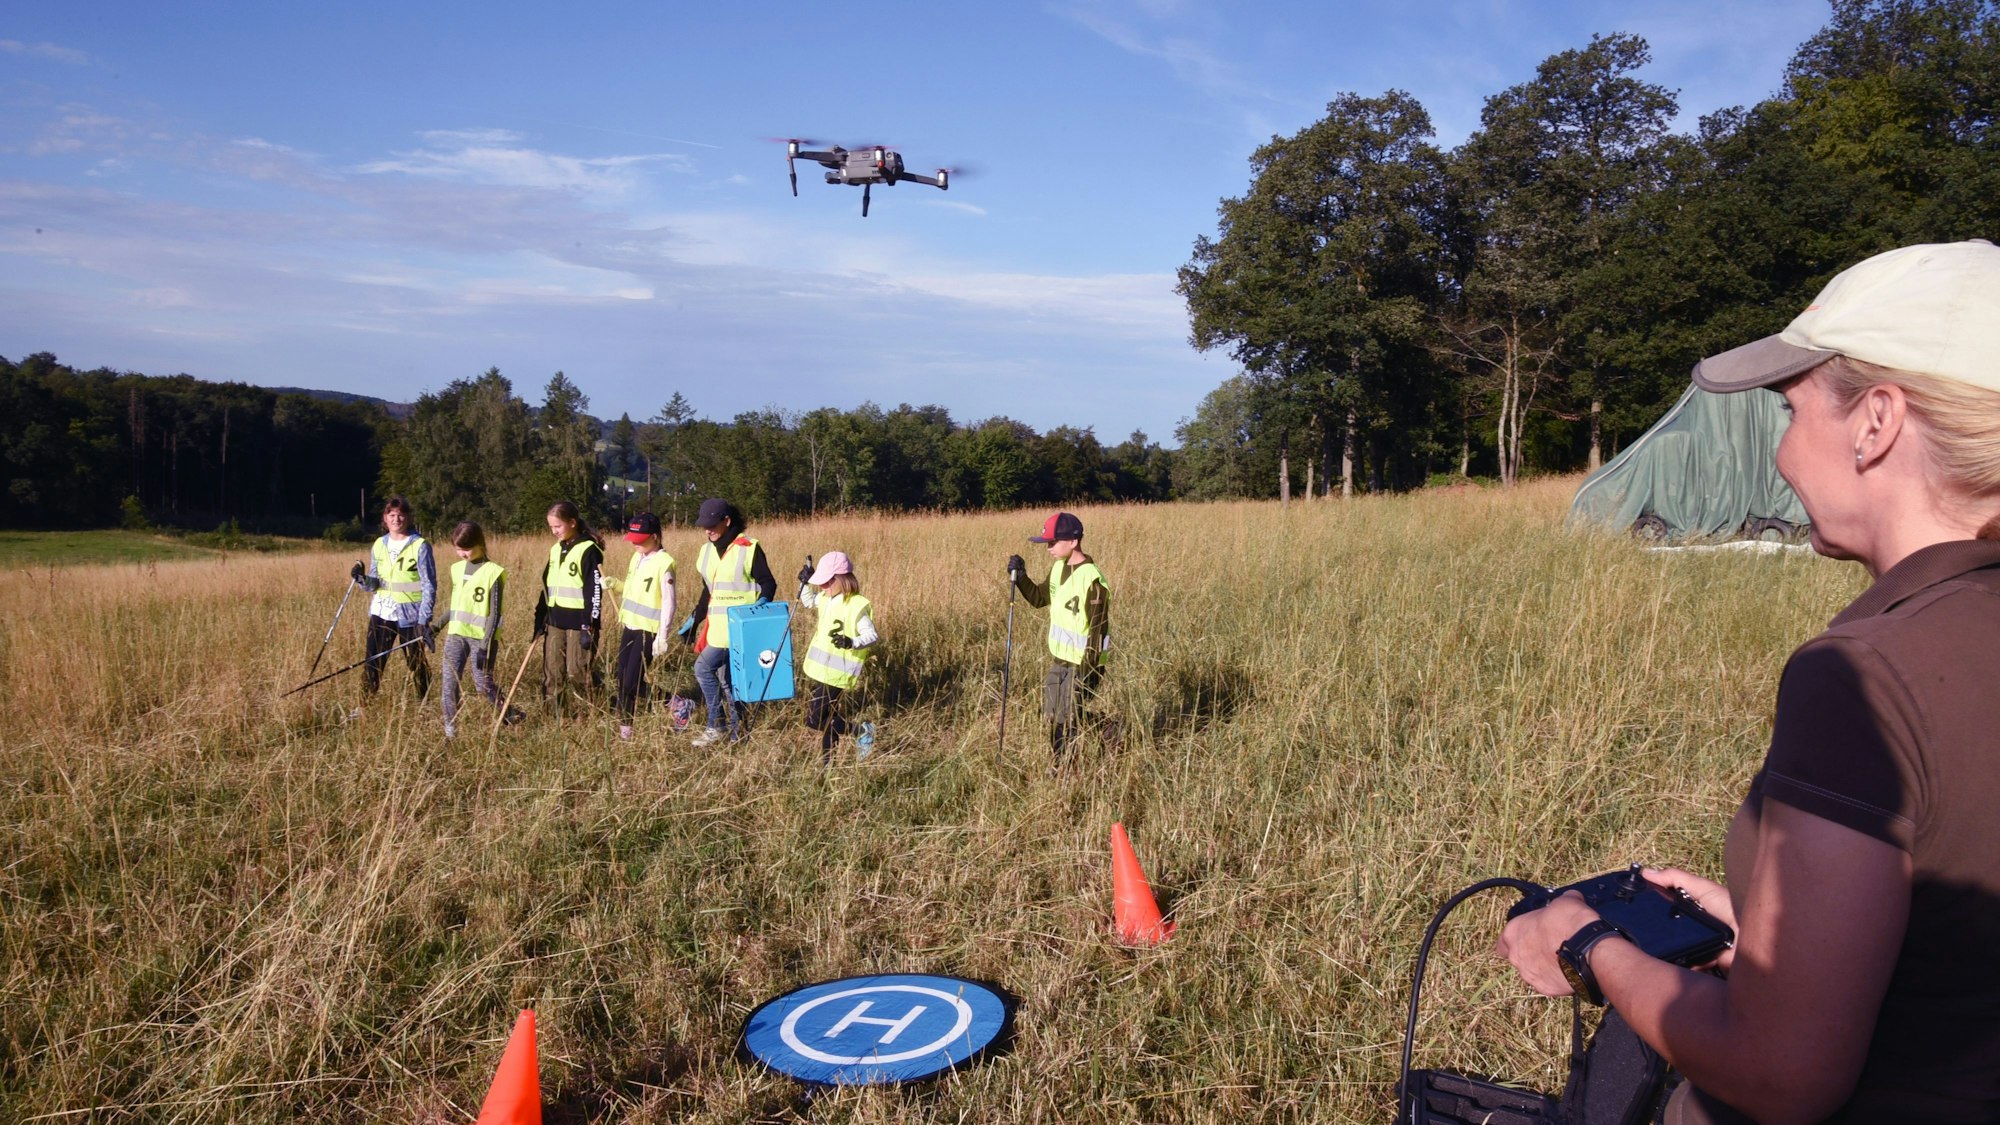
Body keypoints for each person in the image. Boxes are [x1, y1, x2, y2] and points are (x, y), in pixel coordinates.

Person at [1498, 240, 2000, 1124]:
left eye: (1791, 409)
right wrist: (1759, 928)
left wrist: (1587, 940)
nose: (1781, 454)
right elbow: (1955, 955)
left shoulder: (1864, 676)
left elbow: (1782, 1076)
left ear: (1876, 422)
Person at [1007, 511, 1110, 758]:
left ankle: (1063, 769)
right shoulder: (1058, 569)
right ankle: (1109, 729)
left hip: (1084, 664)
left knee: (1066, 722)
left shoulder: (1093, 581)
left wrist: (1089, 670)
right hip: (1059, 660)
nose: (1049, 548)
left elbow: (1098, 632)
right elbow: (1039, 598)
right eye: (1047, 543)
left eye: (1053, 543)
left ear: (1073, 542)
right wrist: (1020, 577)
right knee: (1053, 714)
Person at [682, 498, 775, 747]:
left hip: (739, 628)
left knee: (702, 669)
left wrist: (763, 602)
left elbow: (768, 581)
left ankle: (717, 725)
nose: (707, 530)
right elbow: (708, 591)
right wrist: (694, 619)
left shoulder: (748, 547)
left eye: (712, 524)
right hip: (717, 628)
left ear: (727, 521)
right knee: (727, 681)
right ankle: (739, 730)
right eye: (703, 525)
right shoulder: (706, 551)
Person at [437, 520, 520, 738]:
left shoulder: (493, 572)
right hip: (456, 635)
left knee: (482, 684)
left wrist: (484, 646)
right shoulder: (456, 569)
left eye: (466, 548)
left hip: (482, 639)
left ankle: (509, 714)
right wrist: (435, 626)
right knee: (449, 684)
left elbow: (494, 613)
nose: (462, 553)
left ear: (480, 544)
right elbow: (456, 606)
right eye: (458, 548)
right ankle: (450, 731)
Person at [351, 495, 434, 705]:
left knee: (416, 663)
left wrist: (424, 619)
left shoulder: (420, 545)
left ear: (408, 518)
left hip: (410, 614)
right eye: (392, 515)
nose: (396, 519)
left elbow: (429, 585)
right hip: (381, 611)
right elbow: (373, 583)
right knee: (373, 661)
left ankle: (424, 704)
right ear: (385, 519)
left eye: (401, 515)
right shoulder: (379, 544)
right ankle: (364, 706)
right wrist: (361, 579)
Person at [797, 551, 878, 758]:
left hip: (839, 671)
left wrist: (852, 642)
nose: (822, 587)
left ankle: (861, 731)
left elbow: (871, 635)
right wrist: (805, 582)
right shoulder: (826, 598)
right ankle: (828, 765)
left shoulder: (856, 604)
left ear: (840, 579)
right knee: (826, 716)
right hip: (822, 669)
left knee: (814, 719)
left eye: (826, 582)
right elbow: (807, 601)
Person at [533, 500, 603, 719]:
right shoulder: (556, 549)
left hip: (579, 622)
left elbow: (594, 591)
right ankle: (555, 717)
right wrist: (540, 619)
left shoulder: (589, 550)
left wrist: (588, 626)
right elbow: (547, 585)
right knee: (553, 672)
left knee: (577, 671)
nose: (554, 531)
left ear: (572, 523)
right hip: (555, 621)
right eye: (551, 527)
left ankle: (589, 714)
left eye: (558, 526)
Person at [613, 511, 677, 741]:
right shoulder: (637, 558)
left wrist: (663, 635)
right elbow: (633, 590)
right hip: (630, 625)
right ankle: (625, 729)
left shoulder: (664, 563)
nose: (635, 544)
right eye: (633, 540)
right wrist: (616, 585)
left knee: (632, 682)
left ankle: (676, 704)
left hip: (648, 630)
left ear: (656, 537)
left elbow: (670, 602)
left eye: (640, 540)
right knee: (623, 679)